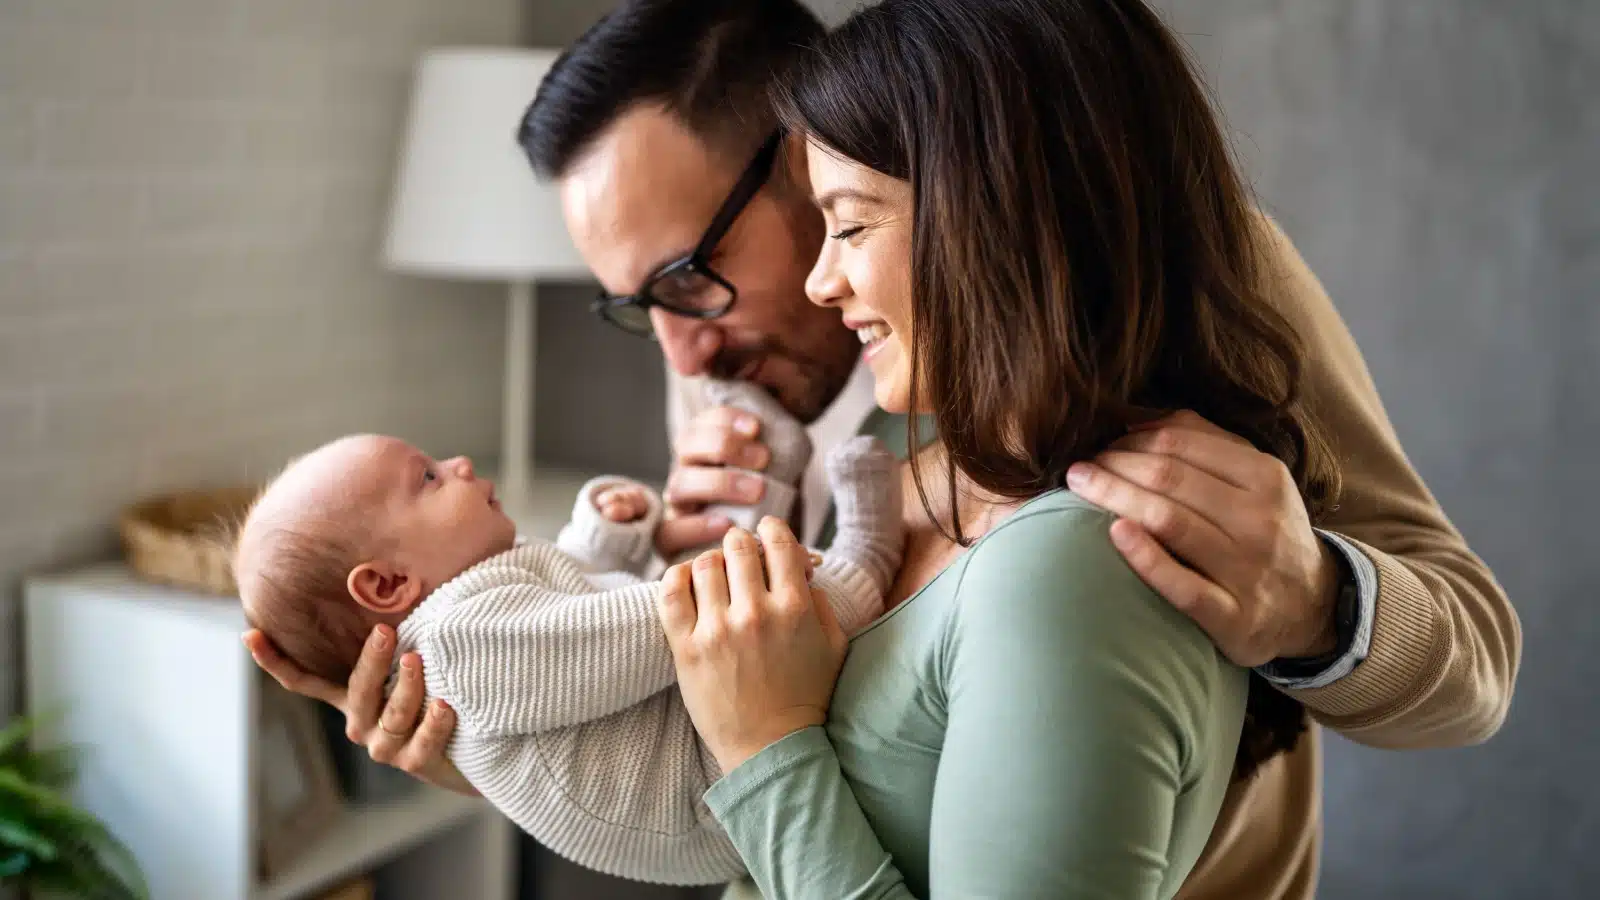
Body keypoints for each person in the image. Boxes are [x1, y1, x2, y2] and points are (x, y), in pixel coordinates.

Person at [242, 0, 1520, 896]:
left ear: (807, 160)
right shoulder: (727, 367)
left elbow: (1471, 662)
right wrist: (500, 744)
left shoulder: (1165, 272)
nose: (680, 356)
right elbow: (765, 754)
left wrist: (1307, 597)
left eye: (692, 278)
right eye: (636, 305)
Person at [234, 423, 901, 885]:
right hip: (708, 797)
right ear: (387, 585)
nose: (461, 465)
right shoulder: (461, 650)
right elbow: (607, 637)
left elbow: (571, 598)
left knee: (727, 605)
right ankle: (864, 565)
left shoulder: (481, 616)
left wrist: (605, 534)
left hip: (709, 763)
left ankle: (793, 513)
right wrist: (727, 585)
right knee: (758, 612)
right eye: (429, 478)